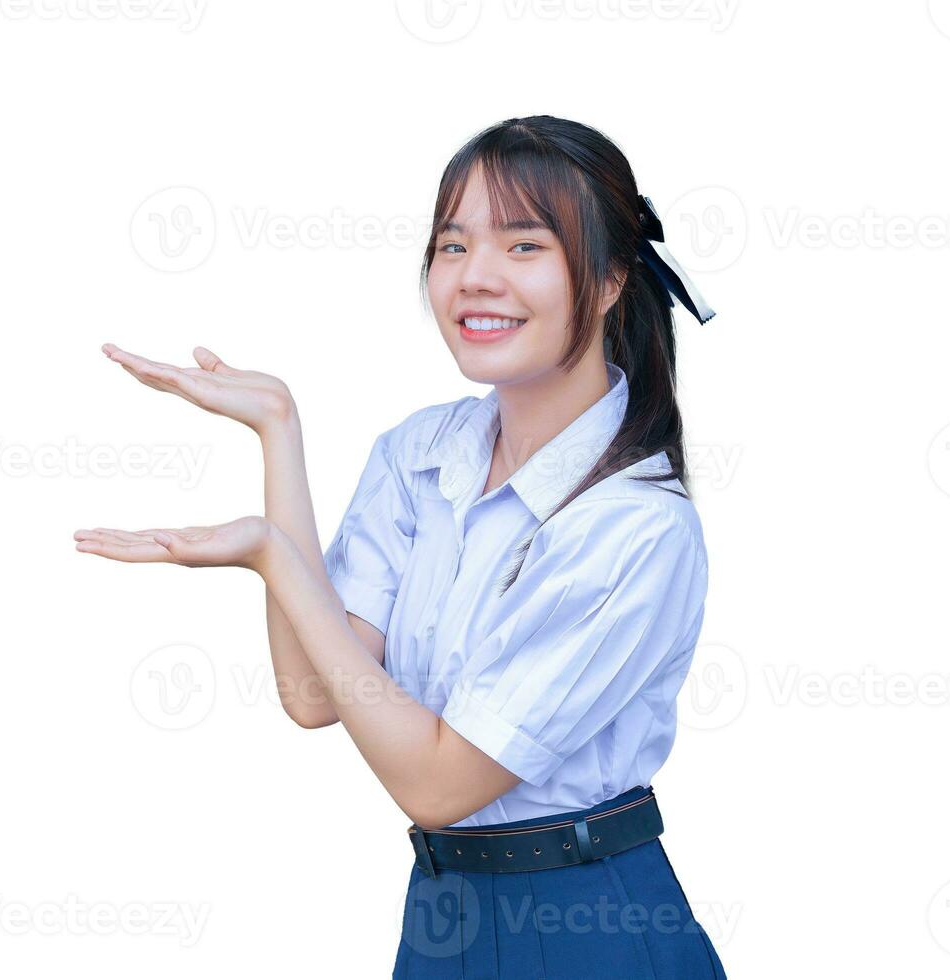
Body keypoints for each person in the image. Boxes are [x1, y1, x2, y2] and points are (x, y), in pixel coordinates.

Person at [74, 114, 727, 978]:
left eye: (524, 246)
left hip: (589, 921)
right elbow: (315, 693)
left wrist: (276, 557)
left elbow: (436, 784)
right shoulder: (421, 455)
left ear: (609, 280)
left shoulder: (637, 528)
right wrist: (279, 435)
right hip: (443, 911)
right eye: (452, 246)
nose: (475, 279)